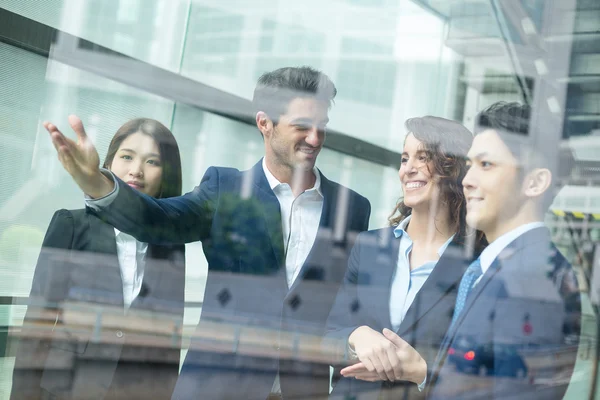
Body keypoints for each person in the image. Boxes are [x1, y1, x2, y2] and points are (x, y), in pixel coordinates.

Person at [42, 66, 371, 399]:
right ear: (264, 123)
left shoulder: (352, 208)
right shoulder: (224, 188)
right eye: (302, 126)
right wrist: (96, 183)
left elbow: (346, 309)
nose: (315, 139)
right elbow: (156, 220)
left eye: (321, 127)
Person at [11, 119, 186, 399]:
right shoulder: (71, 224)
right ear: (109, 162)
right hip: (66, 389)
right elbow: (37, 325)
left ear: (167, 174)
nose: (136, 171)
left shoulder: (171, 244)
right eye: (127, 157)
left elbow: (170, 339)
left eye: (152, 162)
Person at [426, 102, 581, 399]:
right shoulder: (504, 266)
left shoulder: (532, 277)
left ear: (535, 182)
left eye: (486, 165)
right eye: (470, 165)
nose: (467, 181)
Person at [325, 116, 485, 399]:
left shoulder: (478, 262)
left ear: (453, 169)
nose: (408, 169)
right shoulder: (369, 245)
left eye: (423, 158)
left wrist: (421, 372)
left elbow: (482, 366)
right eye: (404, 159)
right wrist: (355, 335)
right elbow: (330, 334)